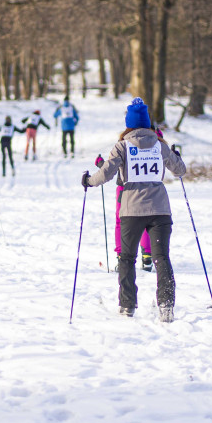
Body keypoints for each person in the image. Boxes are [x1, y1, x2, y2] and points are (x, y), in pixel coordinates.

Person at [84, 98, 187, 322]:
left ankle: (127, 306)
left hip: (131, 209)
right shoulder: (160, 145)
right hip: (160, 209)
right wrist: (176, 156)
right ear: (148, 123)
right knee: (162, 258)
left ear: (129, 124)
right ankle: (166, 306)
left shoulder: (122, 146)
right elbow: (180, 170)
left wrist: (88, 181)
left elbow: (106, 174)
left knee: (127, 258)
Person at [101, 126, 168, 272]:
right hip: (153, 189)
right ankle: (147, 256)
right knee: (148, 220)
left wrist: (101, 165)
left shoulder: (126, 139)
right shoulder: (156, 138)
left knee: (121, 222)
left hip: (126, 189)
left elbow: (114, 165)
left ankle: (121, 258)